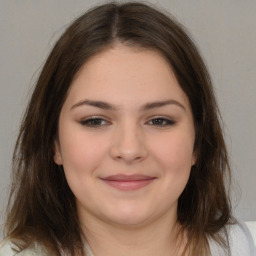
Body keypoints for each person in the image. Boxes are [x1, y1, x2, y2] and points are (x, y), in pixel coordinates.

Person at [0, 2, 254, 256]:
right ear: (54, 142)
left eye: (159, 120)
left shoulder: (242, 247)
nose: (129, 149)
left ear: (198, 142)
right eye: (95, 120)